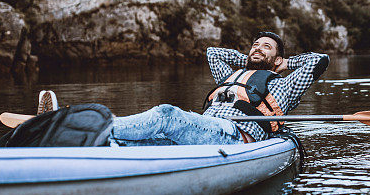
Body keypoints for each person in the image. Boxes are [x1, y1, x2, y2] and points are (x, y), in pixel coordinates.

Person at [105, 31, 329, 145]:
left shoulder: (286, 84)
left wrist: (284, 65)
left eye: (266, 47)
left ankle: (97, 125)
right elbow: (213, 52)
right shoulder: (230, 76)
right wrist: (252, 60)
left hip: (234, 134)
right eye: (255, 45)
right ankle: (102, 137)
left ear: (278, 58)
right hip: (208, 129)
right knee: (128, 142)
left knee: (167, 115)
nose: (258, 48)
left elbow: (320, 60)